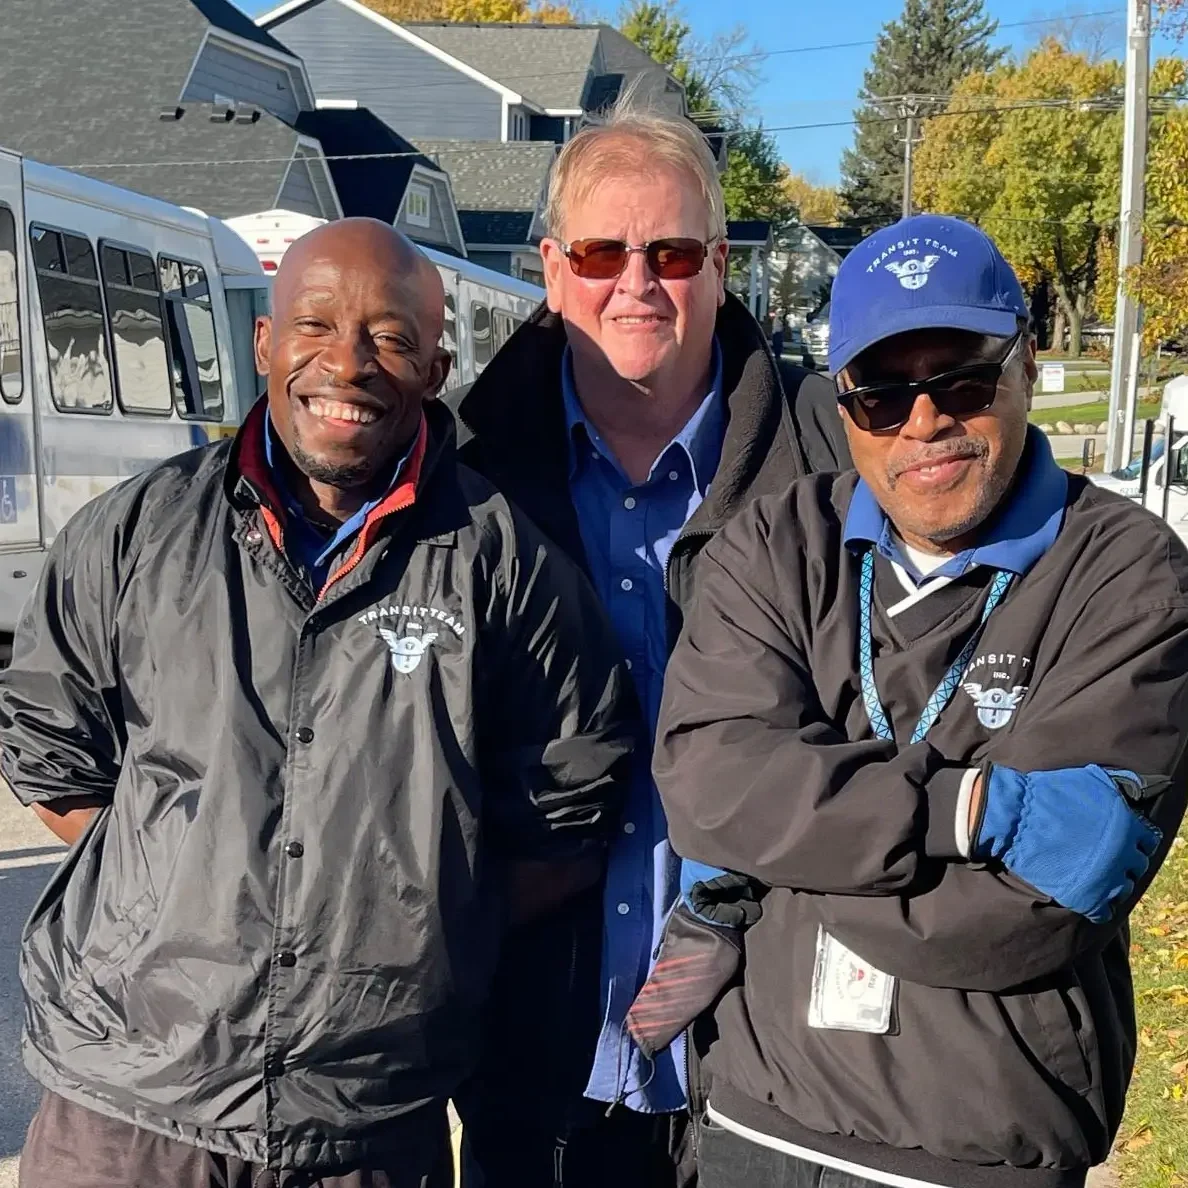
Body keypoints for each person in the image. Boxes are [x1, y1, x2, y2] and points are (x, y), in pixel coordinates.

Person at [2, 218, 633, 1188]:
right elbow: (52, 760)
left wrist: (416, 929)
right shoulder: (130, 537)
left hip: (365, 1131)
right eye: (314, 325)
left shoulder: (504, 569)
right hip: (124, 1115)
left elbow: (566, 821)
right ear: (264, 342)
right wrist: (176, 890)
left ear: (436, 364)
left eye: (388, 336)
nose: (347, 363)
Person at [642, 213, 1188, 1188]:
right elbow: (706, 785)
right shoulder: (772, 547)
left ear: (1024, 361)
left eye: (962, 376)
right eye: (882, 393)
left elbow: (1050, 897)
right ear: (841, 401)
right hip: (749, 1127)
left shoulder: (1130, 574)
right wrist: (968, 812)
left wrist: (776, 859)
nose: (925, 420)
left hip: (980, 1148)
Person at [447, 102, 849, 1188]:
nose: (637, 281)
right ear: (548, 267)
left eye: (671, 250)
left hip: (779, 1075)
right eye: (599, 251)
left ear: (721, 265)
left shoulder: (838, 467)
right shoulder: (469, 487)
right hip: (535, 1066)